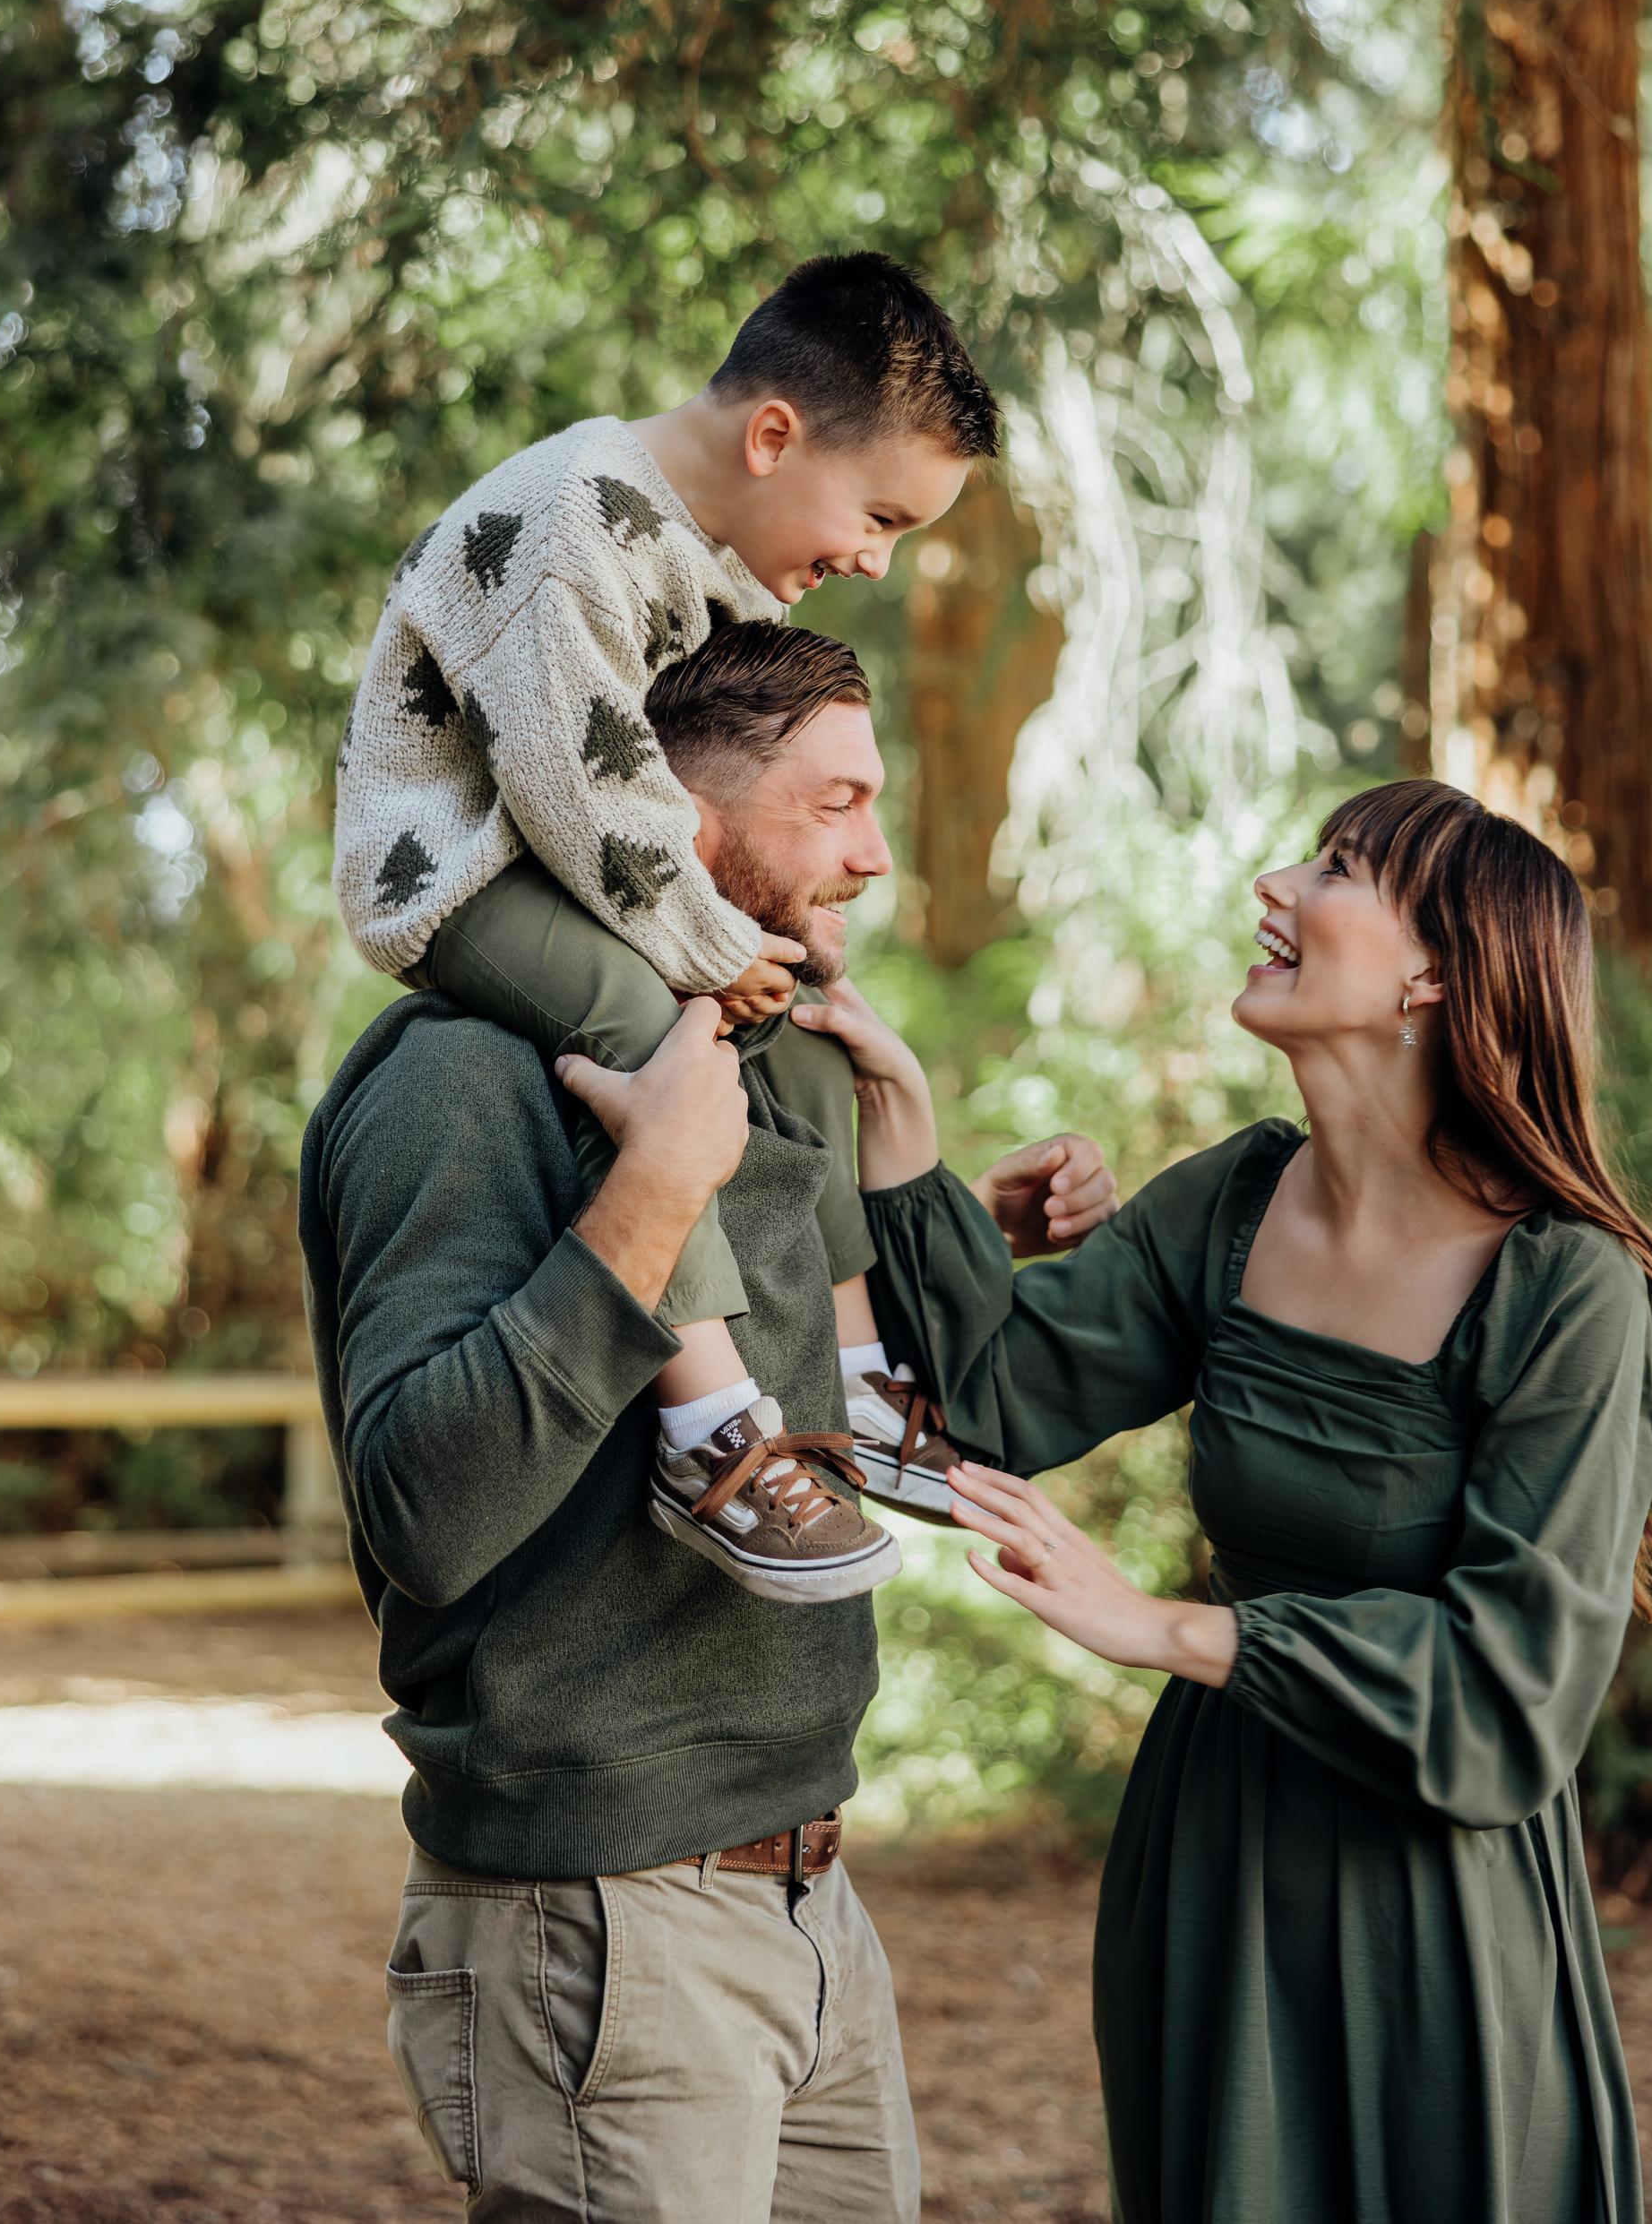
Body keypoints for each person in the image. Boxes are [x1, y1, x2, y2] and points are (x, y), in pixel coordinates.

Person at [807, 777, 1652, 2224]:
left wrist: (1170, 1631)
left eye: (1340, 867)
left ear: (1436, 968)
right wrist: (901, 1131)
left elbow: (1512, 1697)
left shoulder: (1570, 1291)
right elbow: (980, 1404)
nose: (1275, 883)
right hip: (1213, 1860)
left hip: (1432, 1897)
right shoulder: (1235, 1202)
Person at [300, 616, 1115, 2223]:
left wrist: (957, 1202)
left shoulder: (749, 1065)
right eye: (834, 803)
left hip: (806, 1893)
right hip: (601, 1924)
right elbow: (419, 1508)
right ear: (676, 817)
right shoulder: (457, 1080)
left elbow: (859, 1397)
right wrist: (648, 1200)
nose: (877, 851)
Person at [331, 254, 1000, 1594]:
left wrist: (782, 946)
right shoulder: (575, 520)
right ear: (773, 436)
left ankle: (861, 1377)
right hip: (464, 871)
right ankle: (707, 1425)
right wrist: (710, 949)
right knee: (654, 1028)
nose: (875, 558)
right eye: (880, 514)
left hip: (581, 870)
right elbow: (587, 794)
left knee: (806, 1015)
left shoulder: (720, 561)